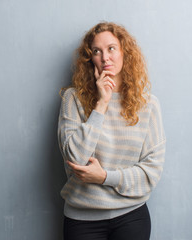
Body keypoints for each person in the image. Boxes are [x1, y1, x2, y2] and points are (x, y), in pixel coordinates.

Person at [57, 22, 166, 240]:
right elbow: (75, 158)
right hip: (82, 219)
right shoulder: (73, 99)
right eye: (97, 51)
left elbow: (150, 173)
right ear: (90, 59)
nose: (105, 57)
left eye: (111, 49)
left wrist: (105, 177)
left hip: (132, 216)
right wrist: (101, 104)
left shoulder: (148, 105)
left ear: (125, 53)